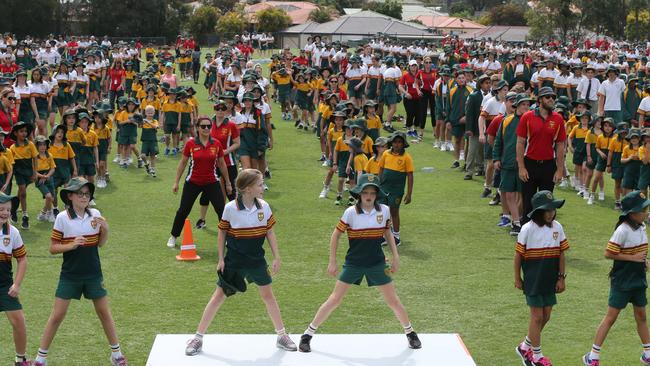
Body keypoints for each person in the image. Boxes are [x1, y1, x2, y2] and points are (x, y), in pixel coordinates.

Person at [298, 173, 421, 353]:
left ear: (377, 194)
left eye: (372, 192)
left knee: (393, 300)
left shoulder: (384, 210)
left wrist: (396, 257)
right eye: (365, 192)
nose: (369, 196)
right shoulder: (350, 212)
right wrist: (332, 261)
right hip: (354, 263)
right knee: (334, 299)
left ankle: (410, 333)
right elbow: (336, 235)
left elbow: (388, 233)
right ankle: (307, 335)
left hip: (377, 263)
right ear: (359, 194)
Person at [184, 169, 297, 356]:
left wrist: (277, 256)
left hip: (257, 261)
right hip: (234, 262)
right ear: (247, 189)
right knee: (218, 296)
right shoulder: (230, 208)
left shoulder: (265, 207)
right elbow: (222, 233)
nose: (263, 187)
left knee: (268, 296)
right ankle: (198, 338)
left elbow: (270, 232)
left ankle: (281, 335)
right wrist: (220, 258)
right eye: (260, 184)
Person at [33, 177, 128, 366]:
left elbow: (100, 243)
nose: (84, 197)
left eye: (87, 194)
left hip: (93, 274)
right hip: (70, 275)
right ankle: (40, 359)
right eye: (80, 193)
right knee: (57, 315)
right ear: (70, 196)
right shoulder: (62, 218)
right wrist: (72, 244)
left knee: (104, 312)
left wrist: (106, 230)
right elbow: (53, 248)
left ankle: (117, 355)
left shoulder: (96, 214)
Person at [581, 191, 650, 366]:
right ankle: (593, 357)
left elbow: (638, 252)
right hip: (622, 280)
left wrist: (644, 262)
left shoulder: (642, 227)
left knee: (641, 315)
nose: (646, 212)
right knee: (611, 317)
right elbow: (608, 253)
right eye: (643, 209)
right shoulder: (622, 230)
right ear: (632, 213)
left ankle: (648, 353)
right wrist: (633, 259)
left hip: (638, 279)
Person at [514, 190, 568, 366]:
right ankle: (536, 357)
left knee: (546, 316)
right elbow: (518, 256)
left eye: (553, 209)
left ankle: (525, 346)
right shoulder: (527, 229)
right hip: (533, 280)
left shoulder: (557, 227)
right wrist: (517, 278)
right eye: (547, 210)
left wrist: (561, 278)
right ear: (538, 211)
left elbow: (561, 254)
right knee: (537, 317)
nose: (551, 213)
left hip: (550, 280)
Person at [167, 116, 232, 248]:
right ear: (197, 128)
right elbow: (183, 163)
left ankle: (227, 238)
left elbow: (222, 164)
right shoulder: (190, 144)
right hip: (193, 181)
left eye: (209, 126)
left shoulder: (216, 144)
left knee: (221, 209)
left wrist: (228, 183)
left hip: (211, 181)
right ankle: (173, 236)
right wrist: (176, 182)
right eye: (203, 126)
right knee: (183, 210)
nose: (206, 128)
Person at [516, 87, 567, 223]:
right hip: (530, 163)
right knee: (528, 200)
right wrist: (521, 167)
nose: (551, 99)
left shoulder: (558, 119)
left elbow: (560, 145)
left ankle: (544, 230)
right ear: (539, 100)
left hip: (548, 165)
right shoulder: (527, 117)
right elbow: (520, 142)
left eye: (553, 97)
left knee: (547, 202)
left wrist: (560, 169)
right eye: (547, 97)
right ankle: (526, 231)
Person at [196, 99, 241, 229]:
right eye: (218, 108)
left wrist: (225, 151)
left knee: (231, 191)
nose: (220, 111)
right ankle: (202, 219)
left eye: (223, 108)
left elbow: (238, 143)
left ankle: (235, 221)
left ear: (226, 110)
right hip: (211, 163)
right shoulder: (207, 123)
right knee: (207, 191)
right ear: (214, 109)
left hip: (228, 162)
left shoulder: (231, 125)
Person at [493, 93, 533, 236]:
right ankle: (515, 222)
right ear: (516, 105)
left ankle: (519, 220)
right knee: (508, 193)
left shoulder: (531, 121)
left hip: (526, 164)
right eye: (523, 104)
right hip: (508, 162)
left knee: (523, 194)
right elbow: (499, 141)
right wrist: (496, 158)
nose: (526, 107)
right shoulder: (507, 121)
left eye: (528, 105)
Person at [0, 192, 30, 366]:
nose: (5, 213)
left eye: (8, 210)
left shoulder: (13, 232)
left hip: (5, 286)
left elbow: (22, 259)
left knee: (18, 321)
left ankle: (20, 360)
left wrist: (17, 284)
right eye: (2, 209)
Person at [378, 131, 413, 246]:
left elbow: (410, 175)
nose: (397, 144)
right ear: (391, 143)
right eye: (395, 142)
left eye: (400, 142)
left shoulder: (406, 157)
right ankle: (384, 235)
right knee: (383, 210)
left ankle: (396, 235)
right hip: (384, 187)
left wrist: (409, 194)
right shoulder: (386, 154)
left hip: (397, 190)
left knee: (394, 210)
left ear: (403, 144)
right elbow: (381, 168)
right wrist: (379, 182)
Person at [9, 122, 37, 229]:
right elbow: (11, 163)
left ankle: (14, 209)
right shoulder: (12, 147)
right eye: (21, 131)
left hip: (29, 172)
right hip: (19, 173)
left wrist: (35, 173)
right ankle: (25, 216)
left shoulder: (30, 144)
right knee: (23, 192)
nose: (24, 133)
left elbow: (35, 158)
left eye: (25, 131)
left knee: (21, 192)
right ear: (16, 133)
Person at [48, 124, 76, 217]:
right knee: (54, 191)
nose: (60, 134)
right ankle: (55, 208)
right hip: (54, 172)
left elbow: (72, 158)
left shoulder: (66, 145)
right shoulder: (49, 145)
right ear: (54, 133)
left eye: (62, 132)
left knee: (68, 189)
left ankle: (68, 206)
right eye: (58, 132)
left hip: (65, 171)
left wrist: (75, 170)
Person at [34, 136, 56, 223]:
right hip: (39, 179)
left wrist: (47, 176)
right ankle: (47, 213)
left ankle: (45, 214)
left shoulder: (49, 155)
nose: (43, 147)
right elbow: (34, 171)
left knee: (51, 198)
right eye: (40, 145)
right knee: (48, 196)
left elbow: (53, 168)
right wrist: (42, 177)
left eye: (44, 145)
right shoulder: (35, 157)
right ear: (36, 146)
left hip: (49, 177)